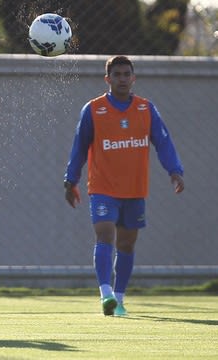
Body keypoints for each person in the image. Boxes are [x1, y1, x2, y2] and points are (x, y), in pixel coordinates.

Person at [64, 55, 184, 317]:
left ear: (133, 78)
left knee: (127, 245)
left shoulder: (145, 109)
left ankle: (119, 299)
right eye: (116, 75)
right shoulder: (94, 110)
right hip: (103, 188)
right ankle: (105, 293)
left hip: (134, 189)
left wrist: (175, 171)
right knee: (105, 235)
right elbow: (79, 147)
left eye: (126, 74)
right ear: (107, 79)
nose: (122, 79)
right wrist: (70, 179)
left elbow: (163, 142)